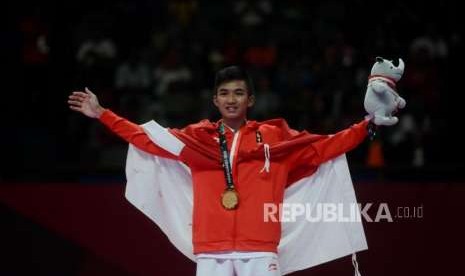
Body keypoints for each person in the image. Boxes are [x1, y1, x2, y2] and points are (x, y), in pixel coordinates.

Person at [68, 66, 386, 276]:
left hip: (260, 250)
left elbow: (325, 147)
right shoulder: (195, 139)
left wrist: (366, 126)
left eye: (238, 93)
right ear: (215, 100)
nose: (231, 99)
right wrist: (103, 114)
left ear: (250, 99)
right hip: (211, 251)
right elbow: (146, 139)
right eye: (224, 93)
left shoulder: (275, 138)